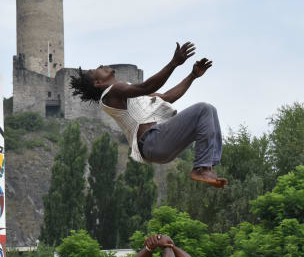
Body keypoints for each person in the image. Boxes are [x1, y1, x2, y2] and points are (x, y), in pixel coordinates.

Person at [70, 42, 227, 189]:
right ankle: (201, 168)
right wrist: (173, 63)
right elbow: (147, 86)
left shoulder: (126, 92)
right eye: (94, 70)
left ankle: (207, 167)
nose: (100, 66)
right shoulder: (112, 92)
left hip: (161, 149)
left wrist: (192, 75)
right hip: (152, 142)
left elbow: (166, 98)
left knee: (210, 110)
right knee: (203, 109)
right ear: (98, 83)